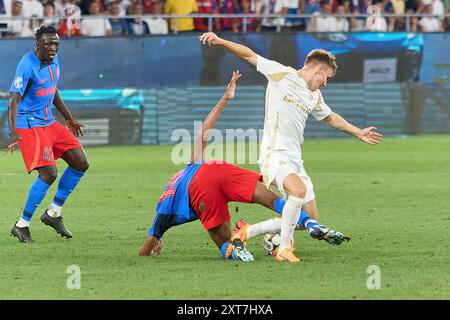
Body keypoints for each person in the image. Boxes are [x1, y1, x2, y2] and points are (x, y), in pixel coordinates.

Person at [199, 32, 383, 262]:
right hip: (274, 154)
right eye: (326, 77)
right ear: (318, 70)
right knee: (298, 192)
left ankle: (249, 231)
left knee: (308, 218)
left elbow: (330, 117)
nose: (325, 83)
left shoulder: (314, 96)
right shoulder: (282, 74)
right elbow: (250, 55)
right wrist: (220, 41)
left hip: (295, 159)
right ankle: (284, 248)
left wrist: (358, 132)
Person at [139, 71, 350, 261]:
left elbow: (145, 249)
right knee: (270, 198)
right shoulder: (188, 166)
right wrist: (224, 99)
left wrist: (152, 249)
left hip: (200, 190)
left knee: (226, 243)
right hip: (216, 169)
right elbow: (204, 131)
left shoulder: (163, 210)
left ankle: (237, 248)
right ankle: (311, 223)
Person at [4, 25, 89, 243]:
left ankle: (53, 213)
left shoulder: (54, 60)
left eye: (56, 44)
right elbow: (14, 99)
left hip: (48, 121)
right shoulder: (26, 64)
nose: (53, 47)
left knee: (80, 162)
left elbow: (53, 89)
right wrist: (13, 132)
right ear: (38, 44)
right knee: (49, 173)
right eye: (49, 43)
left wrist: (68, 118)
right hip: (29, 124)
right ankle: (21, 225)